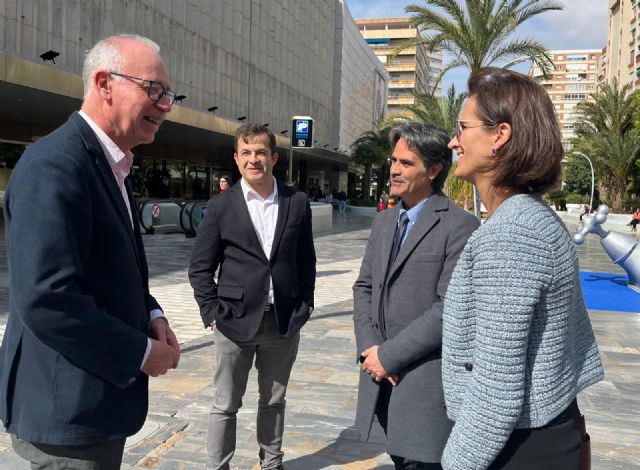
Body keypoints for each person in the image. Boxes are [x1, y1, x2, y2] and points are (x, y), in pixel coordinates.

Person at [0, 34, 181, 468]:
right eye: (153, 89)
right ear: (104, 84)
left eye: (167, 93)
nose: (164, 104)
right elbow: (47, 298)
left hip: (94, 408)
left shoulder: (113, 165)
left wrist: (153, 315)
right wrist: (139, 352)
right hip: (67, 417)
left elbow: (110, 271)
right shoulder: (56, 164)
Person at [442, 67, 604, 470]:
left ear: (500, 135)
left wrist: (456, 464)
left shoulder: (512, 233)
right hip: (540, 435)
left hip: (519, 446)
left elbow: (496, 387)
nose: (453, 140)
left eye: (462, 127)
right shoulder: (532, 218)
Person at [189, 123, 316, 470]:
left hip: (283, 321)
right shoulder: (220, 207)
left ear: (274, 157)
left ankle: (271, 462)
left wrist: (305, 306)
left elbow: (307, 261)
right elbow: (200, 268)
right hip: (233, 321)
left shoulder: (297, 202)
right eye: (246, 152)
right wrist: (212, 313)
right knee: (225, 403)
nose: (253, 159)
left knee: (274, 400)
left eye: (260, 152)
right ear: (236, 158)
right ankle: (218, 466)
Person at [353, 122, 479, 469]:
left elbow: (448, 309)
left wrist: (389, 356)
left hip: (423, 384)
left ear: (434, 169)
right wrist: (370, 351)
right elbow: (364, 287)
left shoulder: (459, 226)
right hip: (381, 378)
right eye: (394, 160)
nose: (394, 169)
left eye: (406, 163)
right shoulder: (384, 222)